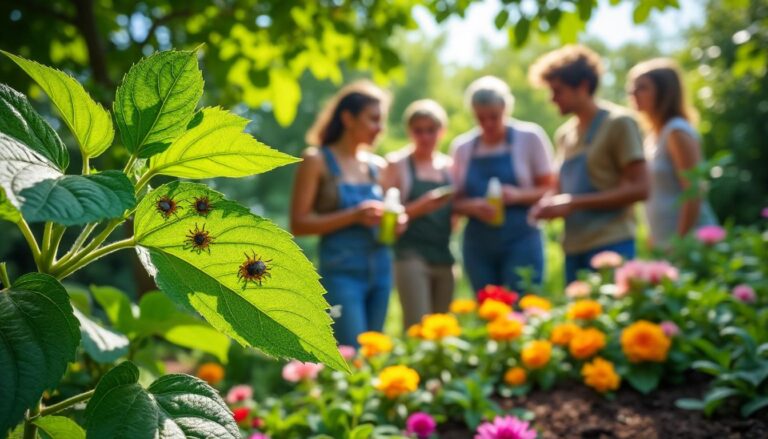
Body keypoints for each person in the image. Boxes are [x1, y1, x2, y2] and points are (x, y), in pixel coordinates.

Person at [290, 81, 399, 347]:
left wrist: (396, 222)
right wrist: (354, 216)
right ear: (348, 118)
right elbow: (299, 223)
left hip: (382, 270)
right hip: (341, 275)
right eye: (373, 120)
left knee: (376, 355)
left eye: (381, 121)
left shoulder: (378, 166)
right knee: (351, 355)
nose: (380, 128)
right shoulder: (316, 160)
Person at [529, 45, 649, 284]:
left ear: (583, 86)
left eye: (558, 91)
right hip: (573, 249)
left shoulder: (619, 123)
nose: (552, 99)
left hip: (612, 245)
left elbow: (641, 188)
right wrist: (547, 205)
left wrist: (573, 203)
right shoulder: (565, 135)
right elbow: (561, 189)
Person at [451, 76, 555, 292]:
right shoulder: (463, 148)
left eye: (494, 117)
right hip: (478, 243)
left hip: (522, 237)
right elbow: (454, 200)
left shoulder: (530, 137)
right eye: (481, 118)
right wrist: (473, 207)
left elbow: (550, 187)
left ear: (506, 109)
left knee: (524, 303)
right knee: (488, 308)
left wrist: (518, 195)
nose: (488, 124)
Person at [627, 58, 718, 246]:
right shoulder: (652, 136)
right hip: (667, 242)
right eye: (632, 88)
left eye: (642, 88)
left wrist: (681, 242)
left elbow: (693, 191)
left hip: (692, 243)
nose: (633, 93)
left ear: (664, 92)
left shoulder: (676, 132)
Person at [383, 99, 455, 329]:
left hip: (444, 255)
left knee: (442, 330)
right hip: (410, 254)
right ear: (409, 132)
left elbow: (455, 214)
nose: (425, 137)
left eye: (431, 130)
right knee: (417, 326)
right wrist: (420, 207)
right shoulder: (397, 164)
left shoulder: (449, 167)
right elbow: (388, 214)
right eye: (419, 131)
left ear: (441, 131)